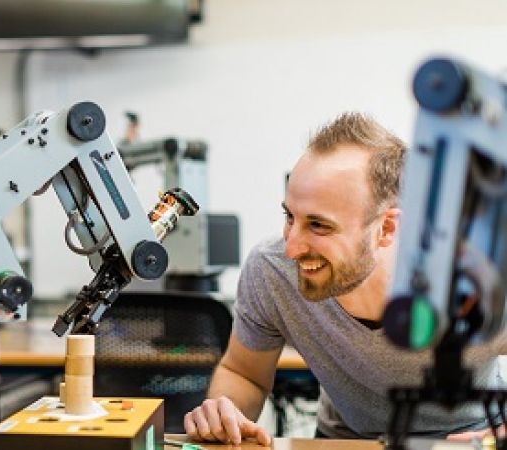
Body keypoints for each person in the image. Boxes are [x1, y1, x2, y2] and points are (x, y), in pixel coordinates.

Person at [184, 113, 506, 445]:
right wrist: (223, 412)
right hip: (347, 442)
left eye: (318, 225)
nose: (292, 247)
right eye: (289, 216)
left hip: (468, 440)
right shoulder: (272, 271)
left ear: (387, 228)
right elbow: (244, 373)